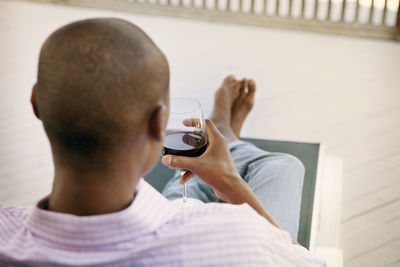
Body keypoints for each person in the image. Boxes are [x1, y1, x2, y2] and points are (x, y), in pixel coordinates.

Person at [0, 18, 325, 266]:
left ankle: (227, 136)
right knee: (283, 166)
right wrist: (230, 185)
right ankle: (228, 138)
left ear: (36, 104)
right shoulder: (239, 235)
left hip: (165, 219)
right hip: (203, 228)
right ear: (158, 124)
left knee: (185, 194)